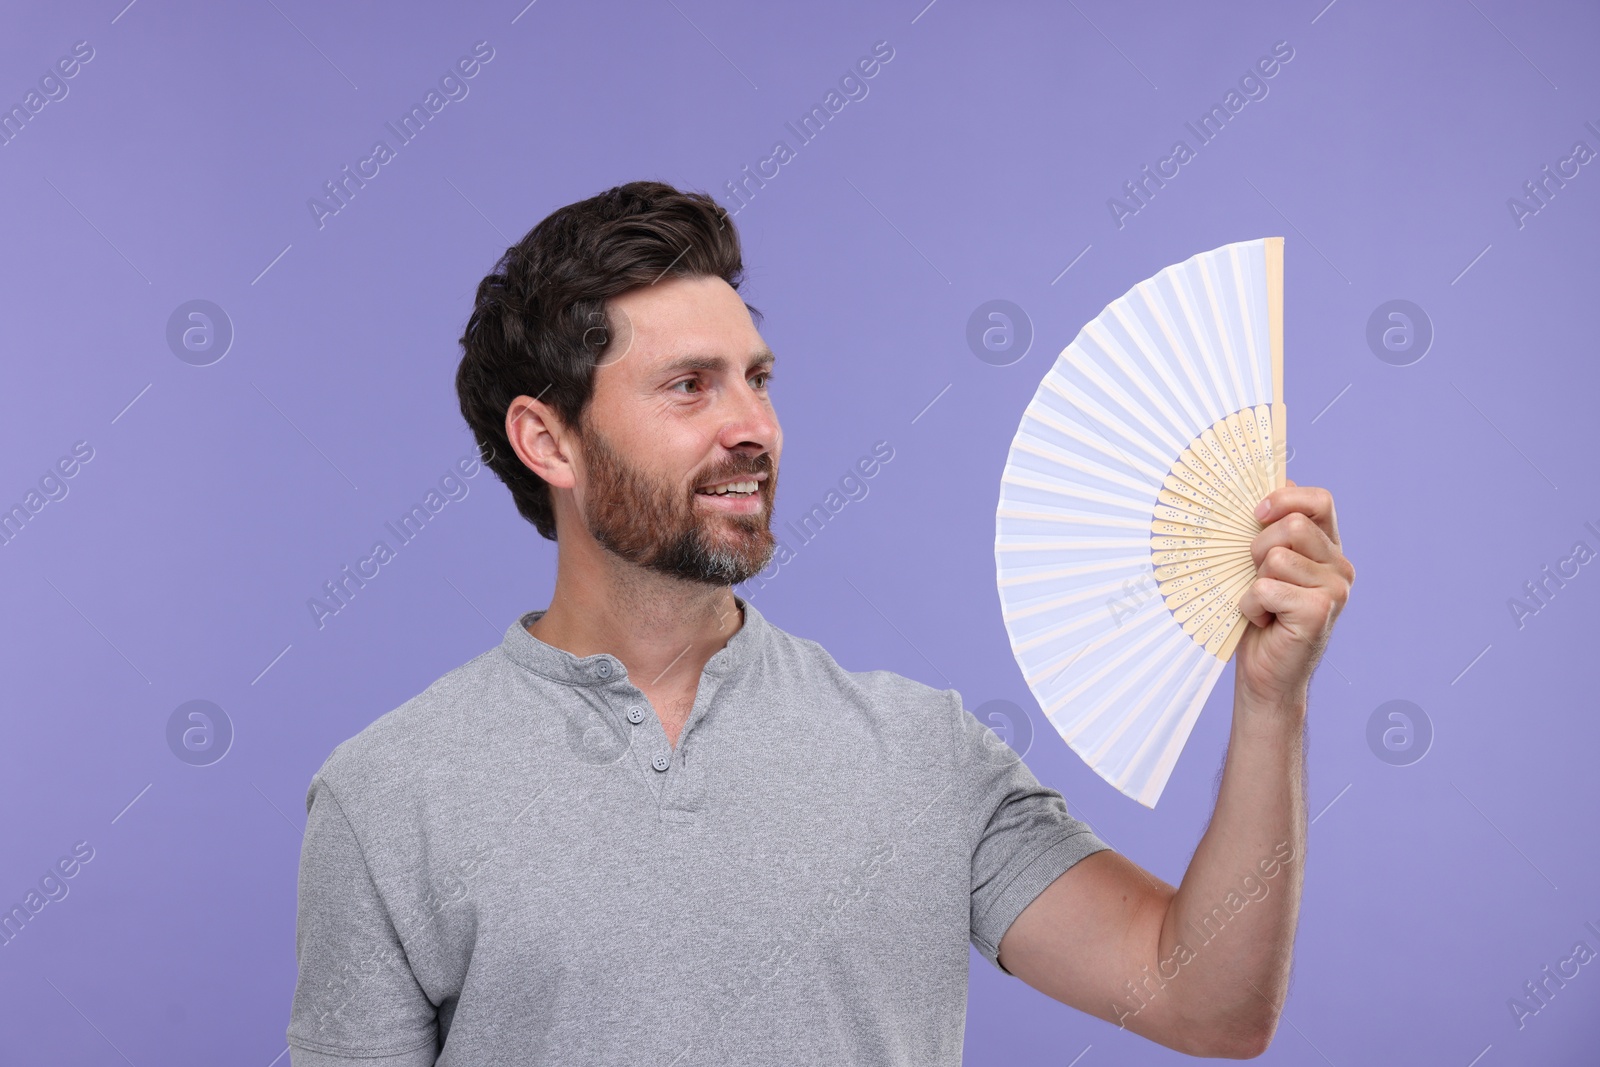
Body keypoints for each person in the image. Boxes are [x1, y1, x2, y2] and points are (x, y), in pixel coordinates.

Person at [285, 181, 1354, 1065]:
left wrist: (1269, 700)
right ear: (548, 441)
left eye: (757, 379)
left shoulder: (923, 753)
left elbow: (1206, 999)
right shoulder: (389, 793)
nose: (753, 427)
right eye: (689, 387)